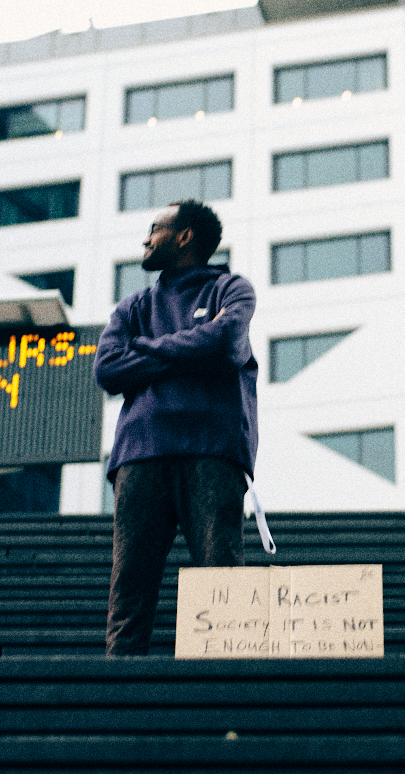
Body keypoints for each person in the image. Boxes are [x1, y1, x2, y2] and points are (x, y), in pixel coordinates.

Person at [94, 199, 258, 656]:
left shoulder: (232, 290)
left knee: (222, 580)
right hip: (140, 454)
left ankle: (226, 703)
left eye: (154, 228)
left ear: (184, 236)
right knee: (130, 585)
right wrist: (189, 350)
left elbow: (225, 339)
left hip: (213, 449)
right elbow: (107, 369)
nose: (145, 239)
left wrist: (144, 352)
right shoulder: (133, 306)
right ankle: (121, 701)